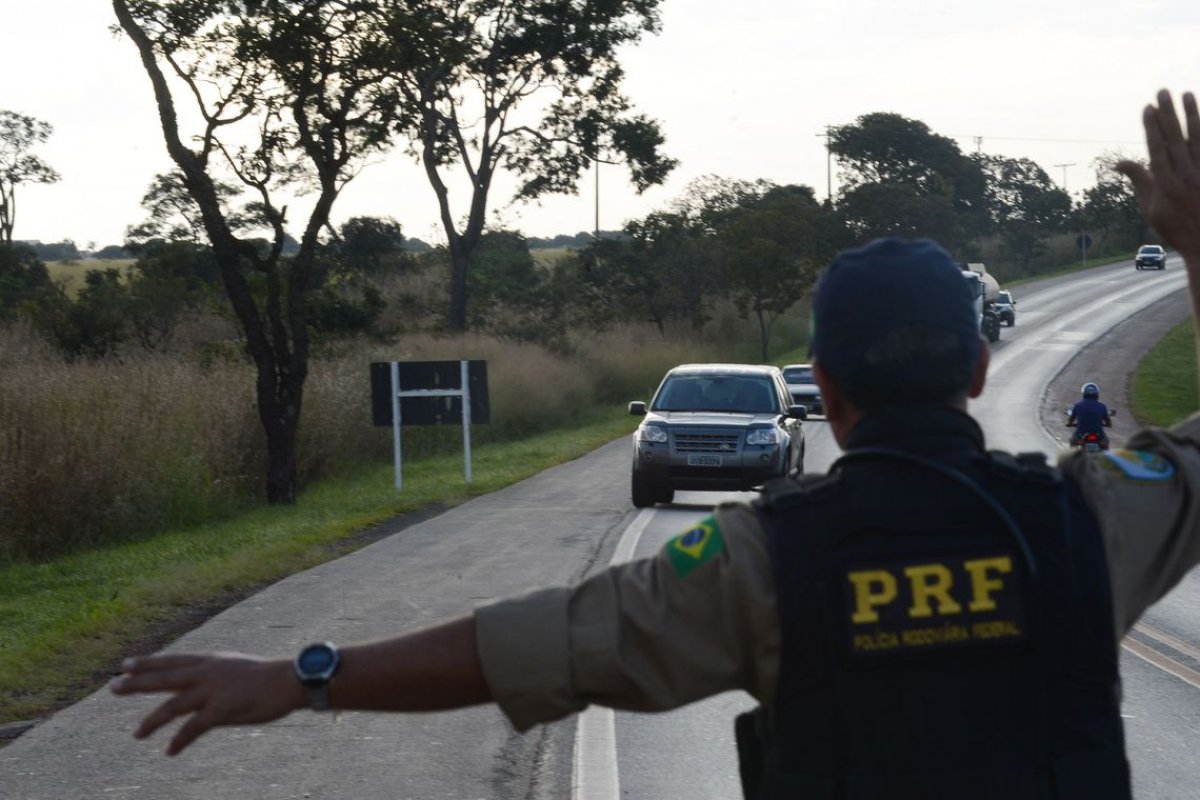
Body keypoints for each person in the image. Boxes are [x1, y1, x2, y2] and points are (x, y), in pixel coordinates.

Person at [112, 89, 1200, 798]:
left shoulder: (758, 561)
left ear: (820, 384)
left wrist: (308, 674)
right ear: (976, 371)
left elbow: (535, 641)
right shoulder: (1086, 517)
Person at [1067, 381, 1112, 447]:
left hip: (1081, 433)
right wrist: (1109, 424)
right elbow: (1107, 419)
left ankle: (1073, 457)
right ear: (1097, 394)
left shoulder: (1078, 406)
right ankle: (1104, 456)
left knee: (1072, 442)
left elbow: (1072, 418)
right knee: (1106, 442)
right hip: (1098, 433)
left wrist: (1069, 423)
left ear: (1084, 394)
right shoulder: (1102, 406)